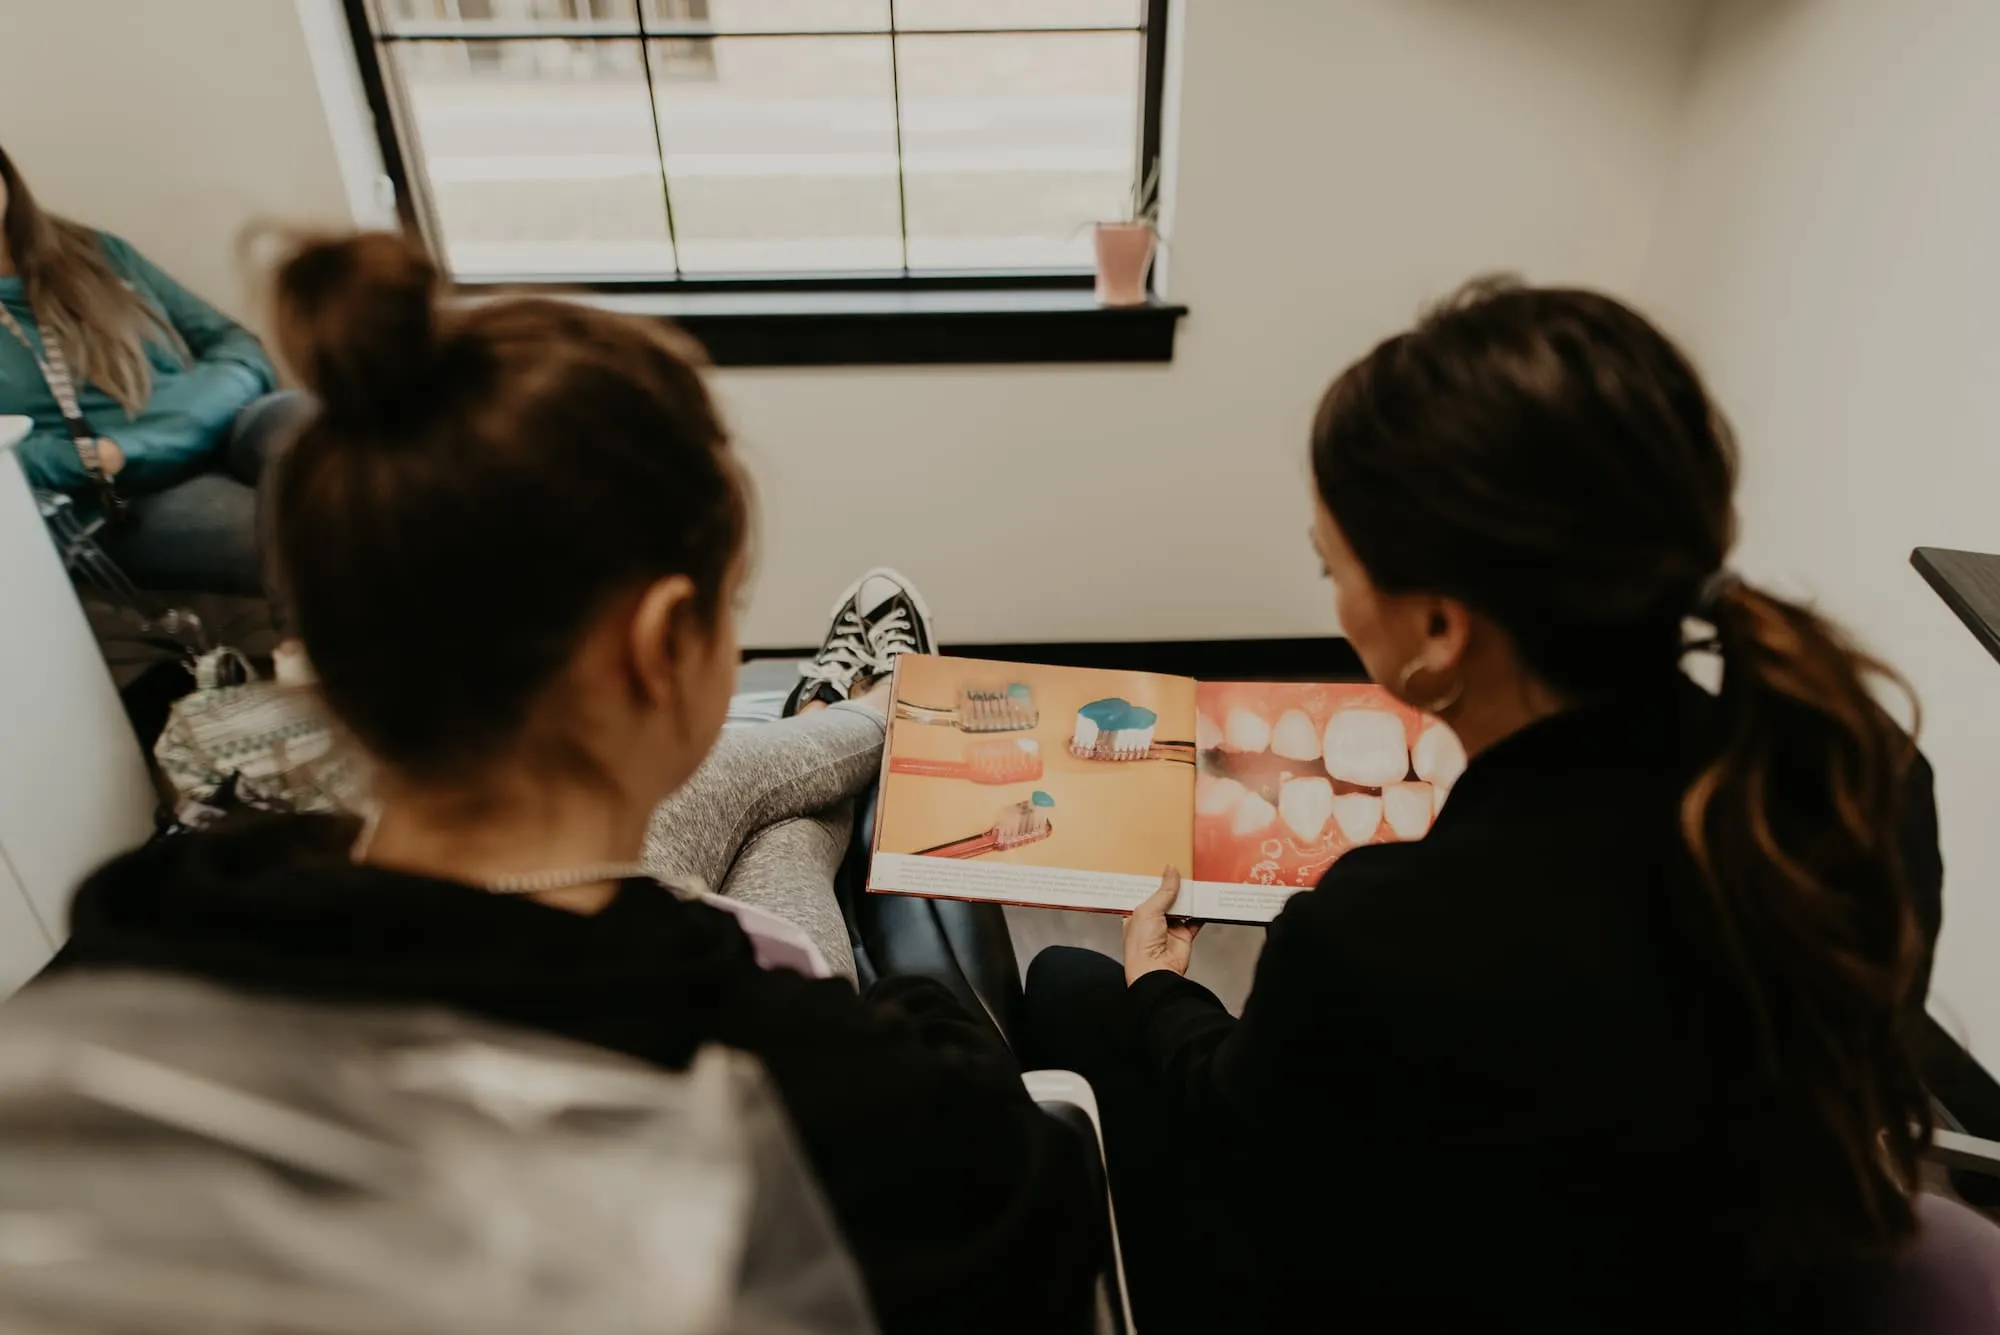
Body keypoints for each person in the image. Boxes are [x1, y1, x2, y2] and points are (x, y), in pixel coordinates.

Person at [54, 230, 1103, 1335]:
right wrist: (907, 1025)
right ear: (661, 644)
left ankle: (838, 731)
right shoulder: (848, 1114)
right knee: (753, 850)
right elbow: (1037, 1225)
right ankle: (857, 720)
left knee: (730, 854)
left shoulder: (136, 943)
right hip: (770, 1030)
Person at [1023, 280, 1944, 1332]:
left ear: (1439, 629)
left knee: (1064, 984)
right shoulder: (1856, 783)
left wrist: (1153, 990)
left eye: (1331, 565)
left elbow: (1238, 1135)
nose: (1329, 592)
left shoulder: (1379, 931)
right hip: (1732, 1281)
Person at [0, 144, 310, 597]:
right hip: (125, 494)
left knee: (311, 425)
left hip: (224, 424)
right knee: (306, 541)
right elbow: (14, 456)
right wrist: (91, 458)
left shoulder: (93, 251)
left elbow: (237, 345)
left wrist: (174, 423)